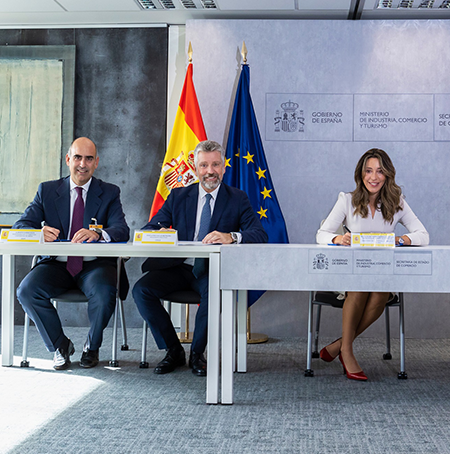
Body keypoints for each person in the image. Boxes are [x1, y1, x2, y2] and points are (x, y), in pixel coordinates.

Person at [133, 140, 267, 377]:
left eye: (215, 164)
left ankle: (197, 354)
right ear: (195, 168)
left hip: (210, 269)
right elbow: (149, 228)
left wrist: (231, 236)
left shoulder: (237, 198)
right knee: (141, 290)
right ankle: (174, 351)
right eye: (204, 165)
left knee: (213, 291)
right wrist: (159, 233)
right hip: (177, 267)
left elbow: (259, 234)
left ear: (224, 167)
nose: (210, 171)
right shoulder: (178, 196)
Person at [14, 137, 130, 370]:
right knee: (26, 291)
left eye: (89, 159)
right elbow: (21, 226)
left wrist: (98, 234)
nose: (82, 164)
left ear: (96, 163)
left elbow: (122, 230)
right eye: (77, 157)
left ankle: (92, 347)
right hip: (56, 265)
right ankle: (60, 346)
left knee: (105, 292)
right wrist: (39, 232)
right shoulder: (47, 190)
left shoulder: (108, 192)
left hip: (94, 265)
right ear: (68, 159)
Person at [316, 148, 429, 381]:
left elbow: (423, 235)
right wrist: (337, 238)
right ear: (361, 174)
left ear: (387, 175)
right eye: (368, 171)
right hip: (350, 272)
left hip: (381, 274)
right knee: (358, 288)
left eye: (380, 171)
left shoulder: (397, 202)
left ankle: (340, 345)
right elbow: (322, 234)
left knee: (380, 292)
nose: (373, 177)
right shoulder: (346, 200)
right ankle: (347, 351)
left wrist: (403, 239)